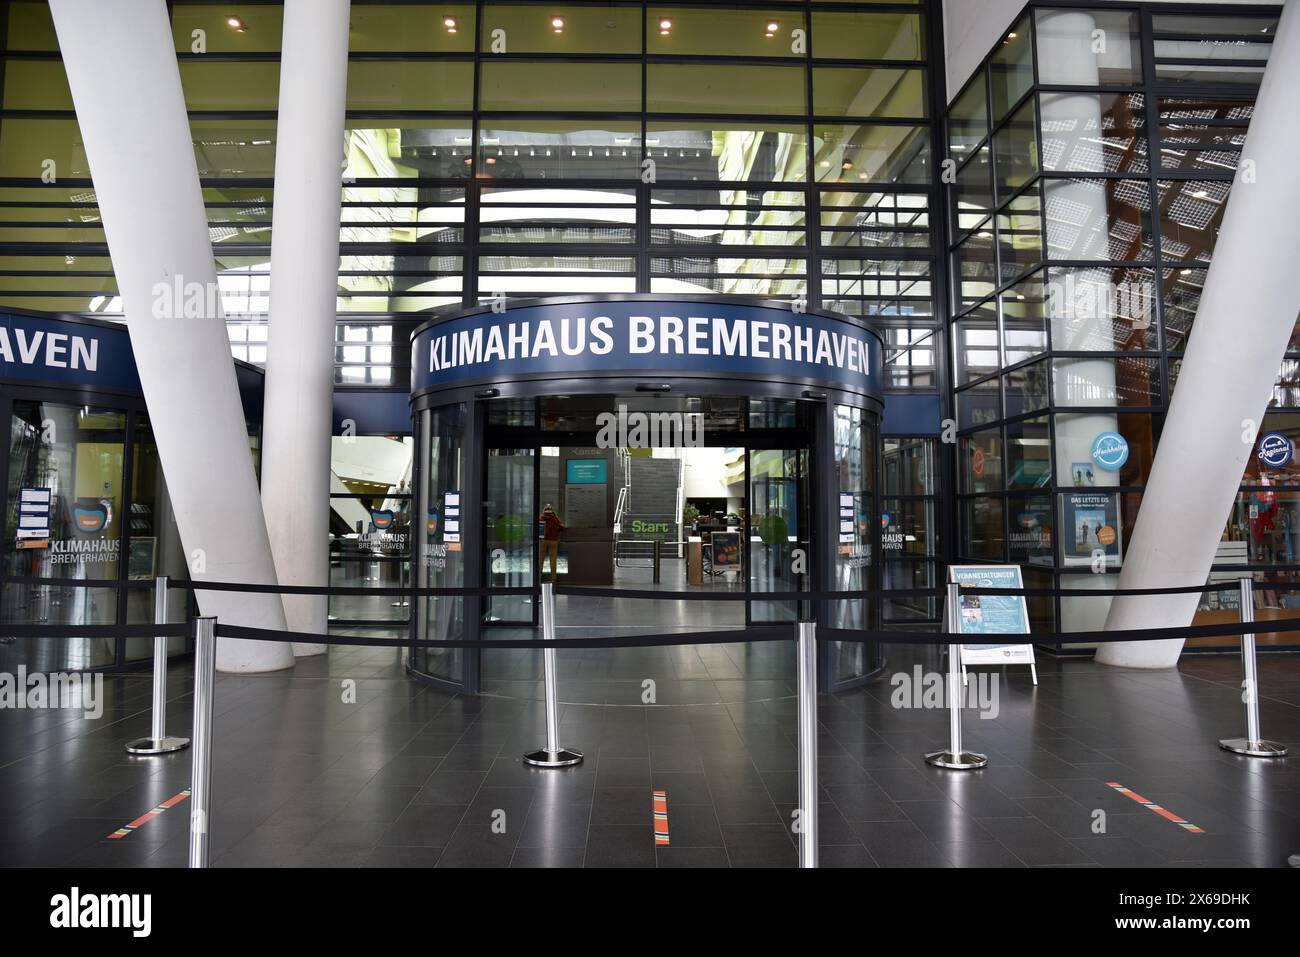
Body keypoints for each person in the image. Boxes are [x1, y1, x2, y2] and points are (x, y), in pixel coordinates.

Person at [538, 503, 565, 582]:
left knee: (540, 560)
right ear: (551, 511)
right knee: (553, 560)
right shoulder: (555, 518)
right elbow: (562, 527)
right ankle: (553, 579)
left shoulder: (540, 517)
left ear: (544, 510)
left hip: (542, 541)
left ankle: (538, 578)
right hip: (553, 541)